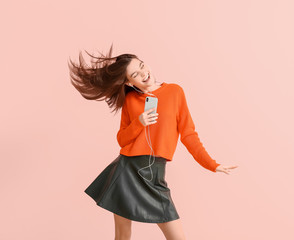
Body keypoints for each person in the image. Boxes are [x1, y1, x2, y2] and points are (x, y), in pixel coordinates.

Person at [68, 44, 238, 240]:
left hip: (155, 174)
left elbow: (188, 134)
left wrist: (212, 164)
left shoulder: (175, 92)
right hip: (127, 170)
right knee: (122, 236)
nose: (143, 73)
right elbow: (122, 140)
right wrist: (139, 123)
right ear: (128, 82)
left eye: (141, 65)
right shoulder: (131, 100)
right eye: (135, 73)